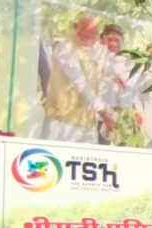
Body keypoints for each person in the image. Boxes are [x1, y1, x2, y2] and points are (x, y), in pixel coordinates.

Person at [41, 14, 108, 143]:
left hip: (86, 120)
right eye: (87, 35)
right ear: (76, 31)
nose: (92, 39)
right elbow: (80, 82)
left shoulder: (96, 50)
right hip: (61, 120)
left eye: (95, 35)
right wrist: (103, 113)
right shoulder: (65, 49)